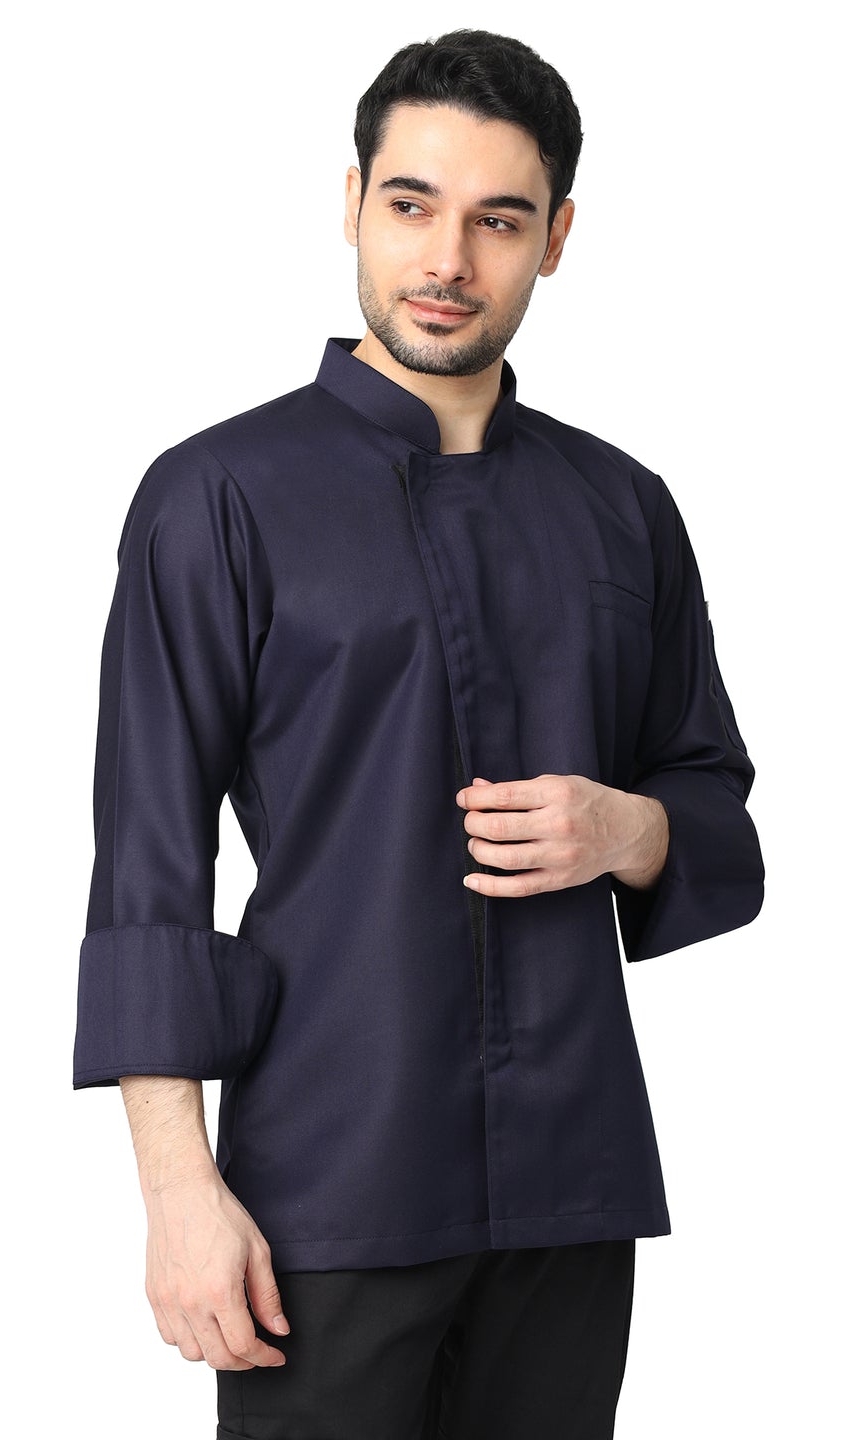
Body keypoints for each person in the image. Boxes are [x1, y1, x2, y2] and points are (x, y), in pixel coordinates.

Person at [73, 28, 764, 1440]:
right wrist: (178, 1191)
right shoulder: (218, 496)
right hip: (329, 1183)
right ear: (353, 204)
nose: (448, 258)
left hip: (570, 1183)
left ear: (555, 240)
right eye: (412, 205)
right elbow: (149, 868)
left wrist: (627, 829)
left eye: (498, 220)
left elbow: (714, 813)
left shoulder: (622, 508)